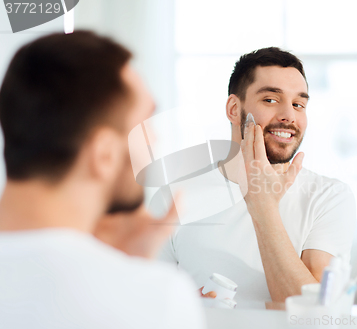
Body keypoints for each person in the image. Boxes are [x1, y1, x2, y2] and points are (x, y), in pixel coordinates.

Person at [0, 31, 205, 328]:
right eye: (146, 123)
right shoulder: (156, 298)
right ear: (105, 154)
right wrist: (135, 278)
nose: (155, 137)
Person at [149, 47, 357, 306]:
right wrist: (183, 310)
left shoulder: (329, 197)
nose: (289, 116)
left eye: (298, 104)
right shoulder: (172, 199)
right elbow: (147, 305)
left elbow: (313, 313)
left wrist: (263, 207)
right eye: (270, 100)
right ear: (234, 109)